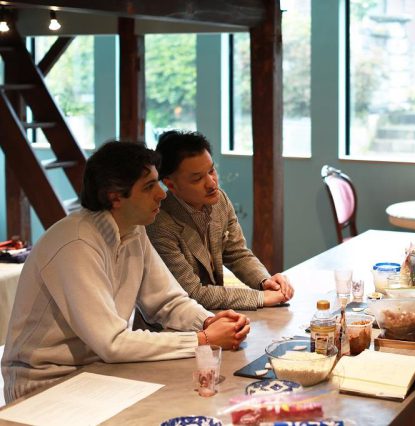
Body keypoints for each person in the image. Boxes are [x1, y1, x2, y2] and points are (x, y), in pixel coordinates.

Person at [1, 141, 250, 403]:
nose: (162, 194)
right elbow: (112, 343)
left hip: (99, 371)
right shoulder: (76, 242)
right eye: (149, 186)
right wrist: (202, 339)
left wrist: (208, 321)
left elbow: (168, 301)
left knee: (198, 400)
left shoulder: (133, 229)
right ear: (115, 197)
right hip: (45, 385)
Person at [146, 130, 294, 311]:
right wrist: (261, 297)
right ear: (170, 184)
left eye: (211, 170)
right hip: (173, 328)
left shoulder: (219, 201)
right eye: (197, 178)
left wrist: (265, 281)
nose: (211, 183)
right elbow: (193, 293)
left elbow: (237, 253)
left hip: (213, 315)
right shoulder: (160, 224)